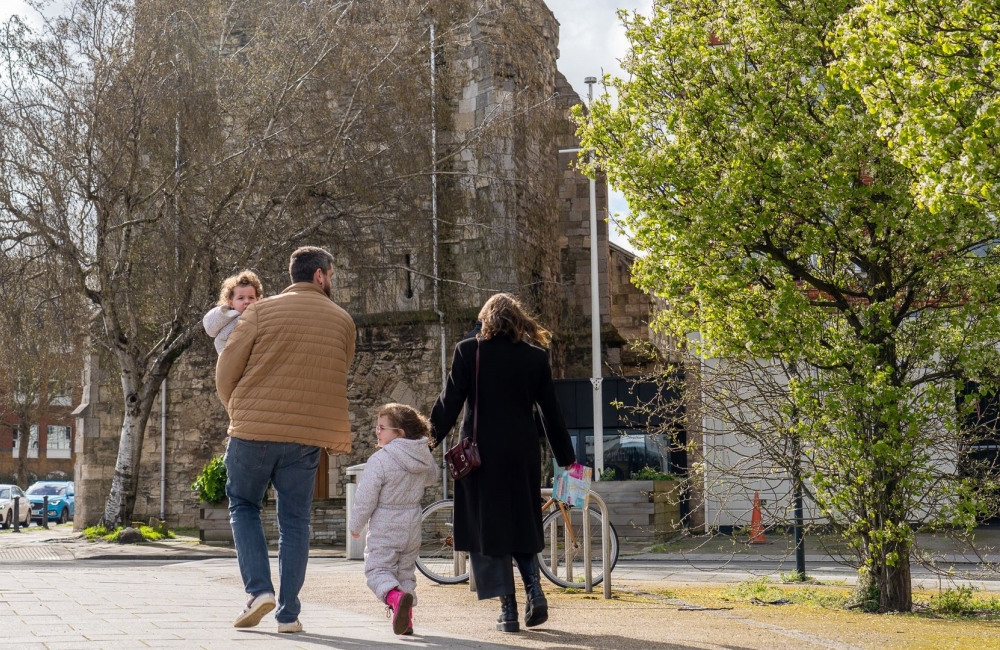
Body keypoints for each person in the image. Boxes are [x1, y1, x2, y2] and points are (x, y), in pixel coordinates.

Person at [216, 246, 356, 634]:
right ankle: (288, 614)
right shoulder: (344, 321)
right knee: (295, 522)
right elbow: (337, 372)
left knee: (244, 504)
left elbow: (227, 368)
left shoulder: (261, 311)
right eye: (331, 274)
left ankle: (259, 590)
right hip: (305, 439)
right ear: (320, 276)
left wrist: (238, 410)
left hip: (252, 432)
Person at [430, 293, 575, 633]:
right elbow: (552, 414)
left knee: (487, 530)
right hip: (523, 453)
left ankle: (508, 611)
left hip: (481, 455)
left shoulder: (469, 351)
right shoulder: (536, 358)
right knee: (522, 522)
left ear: (486, 320)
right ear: (518, 321)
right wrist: (566, 459)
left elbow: (449, 403)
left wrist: (426, 440)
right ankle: (534, 590)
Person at [348, 403, 438, 636]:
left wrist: (356, 525)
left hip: (386, 523)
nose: (377, 431)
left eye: (382, 427)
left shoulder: (381, 460)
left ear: (399, 433)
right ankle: (406, 622)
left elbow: (366, 498)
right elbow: (433, 477)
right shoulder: (423, 455)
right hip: (412, 524)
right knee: (405, 572)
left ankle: (396, 598)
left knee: (377, 569)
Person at [203, 270, 264, 354]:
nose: (247, 301)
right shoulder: (229, 322)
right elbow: (222, 343)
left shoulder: (263, 317)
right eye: (241, 298)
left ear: (257, 300)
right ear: (231, 303)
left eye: (251, 297)